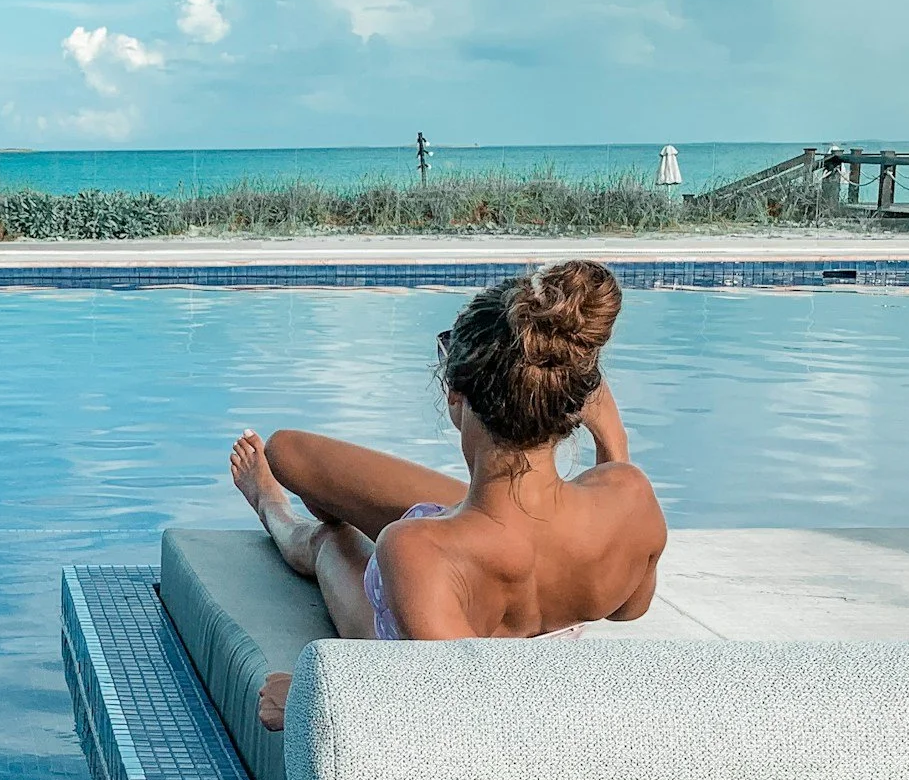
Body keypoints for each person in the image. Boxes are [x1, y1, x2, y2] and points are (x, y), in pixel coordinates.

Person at [228, 259, 666, 730]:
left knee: (331, 542)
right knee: (288, 452)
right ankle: (342, 505)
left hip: (440, 585)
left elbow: (457, 712)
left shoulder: (414, 549)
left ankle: (275, 509)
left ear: (456, 393)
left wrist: (310, 700)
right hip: (514, 525)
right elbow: (630, 607)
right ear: (574, 405)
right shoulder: (630, 494)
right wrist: (613, 446)